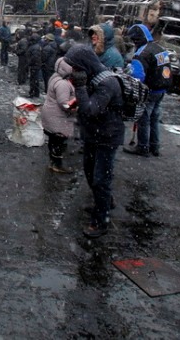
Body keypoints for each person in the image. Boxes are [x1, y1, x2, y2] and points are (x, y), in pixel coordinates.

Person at [63, 44, 125, 238]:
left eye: (75, 66)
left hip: (107, 137)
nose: (73, 71)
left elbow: (91, 109)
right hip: (93, 134)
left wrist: (80, 88)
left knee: (101, 178)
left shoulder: (107, 83)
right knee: (90, 172)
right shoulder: (92, 76)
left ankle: (101, 220)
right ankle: (105, 202)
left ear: (84, 64)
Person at [124, 23, 172, 157]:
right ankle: (154, 146)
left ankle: (143, 147)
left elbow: (137, 77)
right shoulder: (159, 48)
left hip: (150, 91)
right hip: (162, 89)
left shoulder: (141, 53)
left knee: (143, 119)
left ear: (136, 39)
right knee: (154, 119)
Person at [40, 56, 77, 174]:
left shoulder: (55, 77)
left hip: (51, 114)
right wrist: (76, 107)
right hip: (58, 117)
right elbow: (64, 104)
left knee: (53, 140)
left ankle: (53, 162)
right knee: (58, 141)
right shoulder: (63, 84)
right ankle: (57, 164)